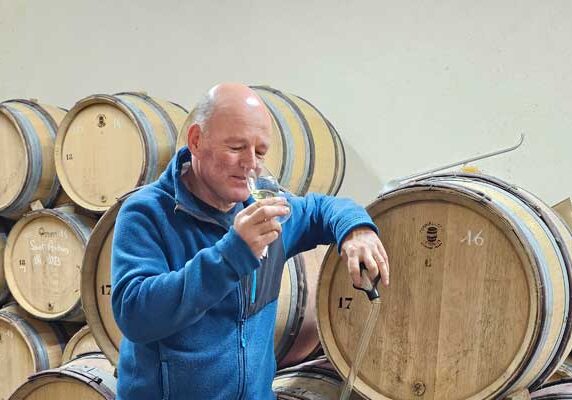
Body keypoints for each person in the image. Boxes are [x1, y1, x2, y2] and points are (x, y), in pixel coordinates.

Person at [111, 83, 389, 400]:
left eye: (260, 151)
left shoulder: (265, 210)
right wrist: (231, 256)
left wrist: (356, 230)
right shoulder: (147, 213)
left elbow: (321, 209)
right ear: (196, 141)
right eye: (236, 147)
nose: (251, 163)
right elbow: (135, 315)